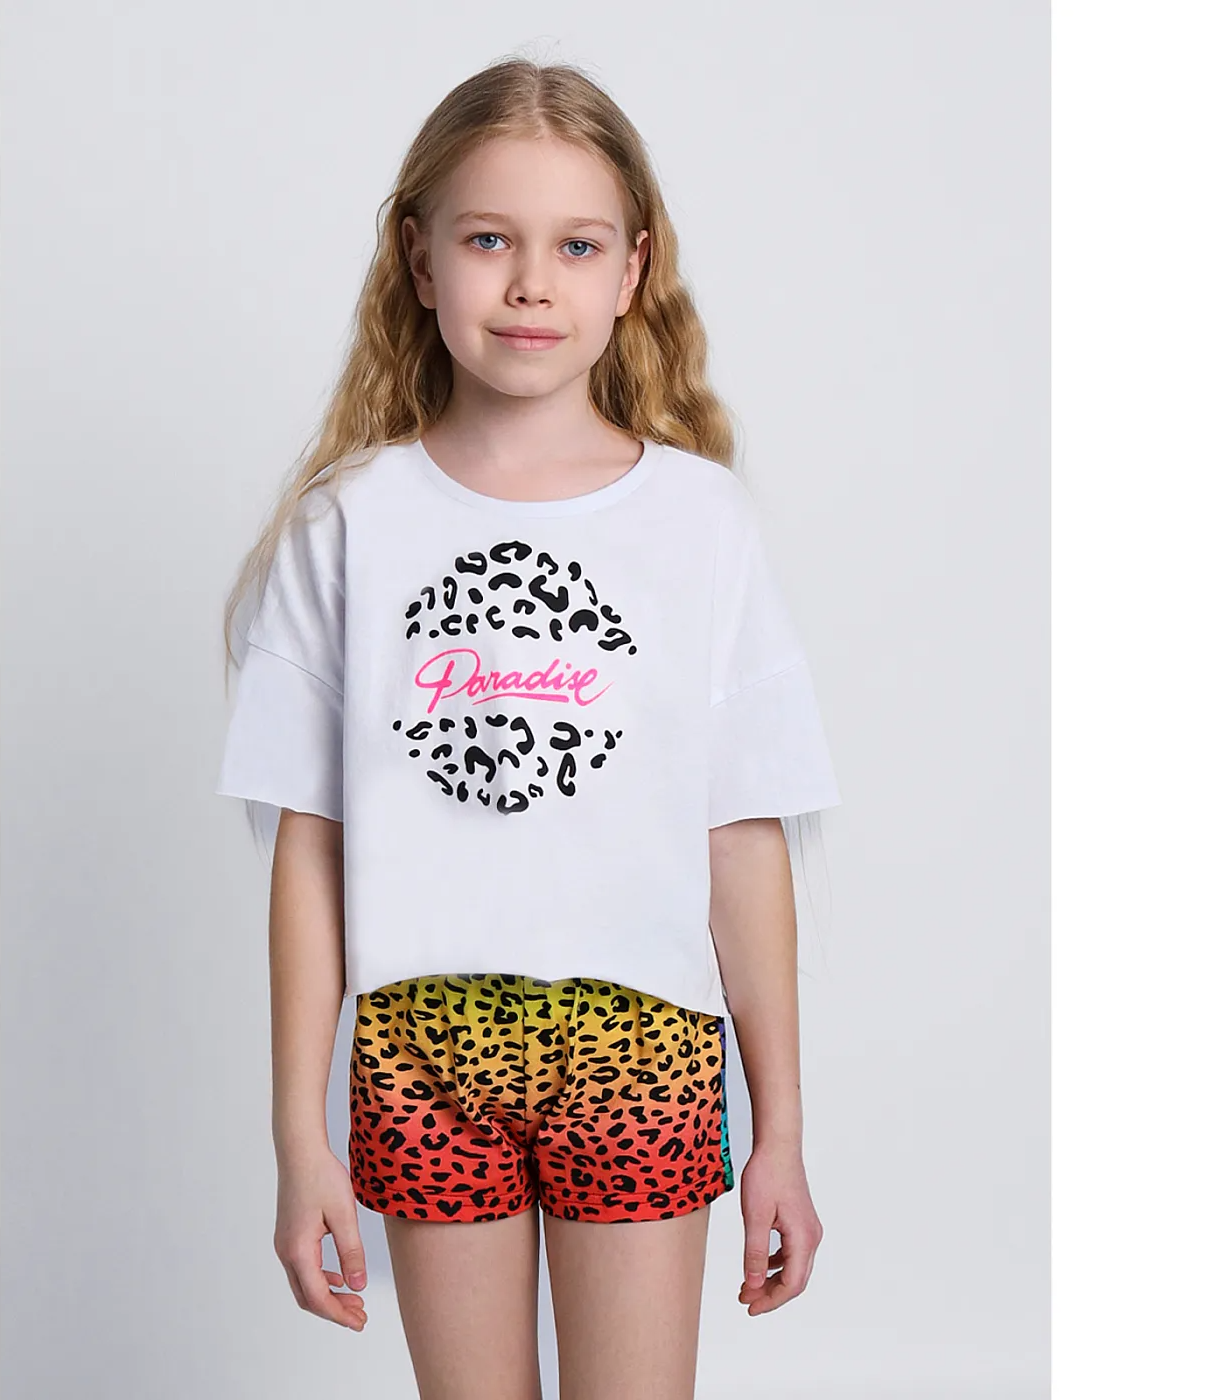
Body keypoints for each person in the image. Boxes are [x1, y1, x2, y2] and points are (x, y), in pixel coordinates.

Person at [215, 55, 842, 1400]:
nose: (531, 285)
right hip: (421, 1053)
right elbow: (311, 850)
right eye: (490, 240)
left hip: (641, 1047)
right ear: (419, 258)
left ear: (633, 269)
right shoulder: (350, 526)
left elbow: (742, 840)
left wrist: (780, 1131)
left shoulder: (700, 523)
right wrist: (297, 1136)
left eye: (577, 245)